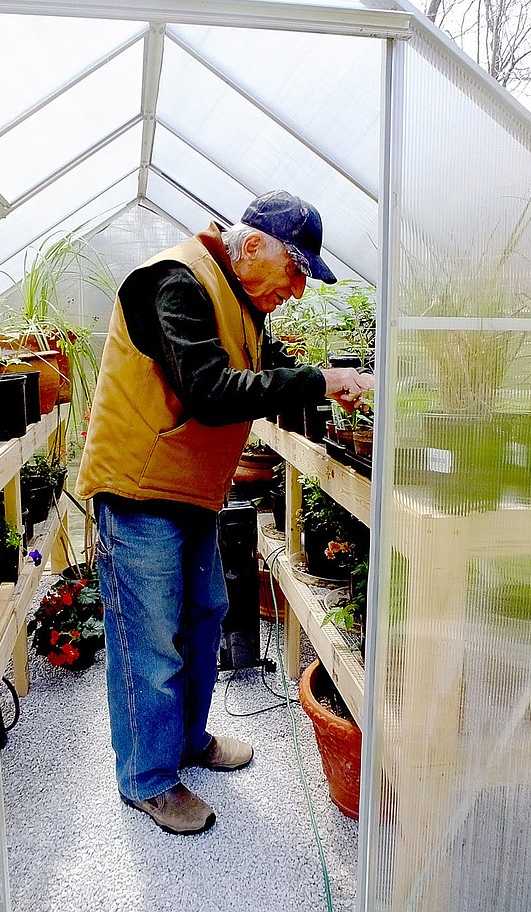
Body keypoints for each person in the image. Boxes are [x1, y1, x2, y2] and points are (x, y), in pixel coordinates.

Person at [76, 189, 374, 835]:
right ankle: (147, 778)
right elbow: (210, 391)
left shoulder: (244, 302)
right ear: (255, 246)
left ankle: (186, 740)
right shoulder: (175, 283)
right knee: (150, 642)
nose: (297, 290)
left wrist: (325, 382)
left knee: (206, 615)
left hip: (189, 492)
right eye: (295, 270)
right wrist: (319, 381)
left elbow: (263, 371)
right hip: (138, 493)